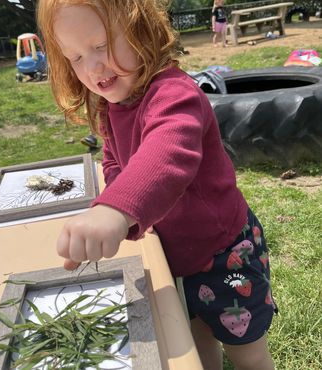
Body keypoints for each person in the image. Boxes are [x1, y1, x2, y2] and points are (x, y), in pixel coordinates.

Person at [37, 1, 277, 369]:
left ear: (143, 30)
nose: (92, 66)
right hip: (176, 254)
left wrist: (116, 210)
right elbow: (116, 160)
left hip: (225, 254)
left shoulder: (174, 94)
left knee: (247, 352)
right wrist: (122, 200)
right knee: (195, 338)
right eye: (74, 58)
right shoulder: (109, 106)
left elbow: (167, 155)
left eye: (100, 46)